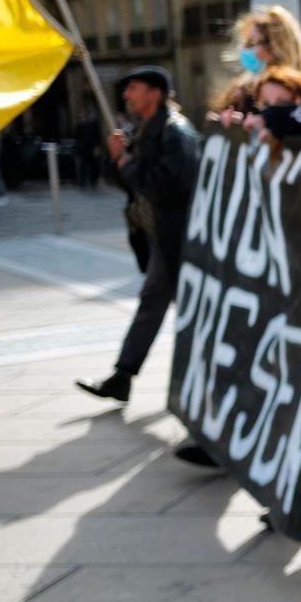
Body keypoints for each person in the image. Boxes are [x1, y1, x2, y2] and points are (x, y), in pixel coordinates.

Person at [75, 67, 200, 403]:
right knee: (157, 302)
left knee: (184, 309)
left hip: (182, 237)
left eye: (134, 88)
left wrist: (126, 162)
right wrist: (118, 157)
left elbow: (168, 185)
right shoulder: (147, 131)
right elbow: (128, 183)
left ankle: (194, 384)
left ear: (155, 93)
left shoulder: (176, 132)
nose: (127, 95)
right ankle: (124, 376)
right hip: (163, 235)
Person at [211, 5, 301, 135]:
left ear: (276, 47)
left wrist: (267, 119)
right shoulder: (246, 91)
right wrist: (237, 124)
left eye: (252, 43)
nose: (245, 50)